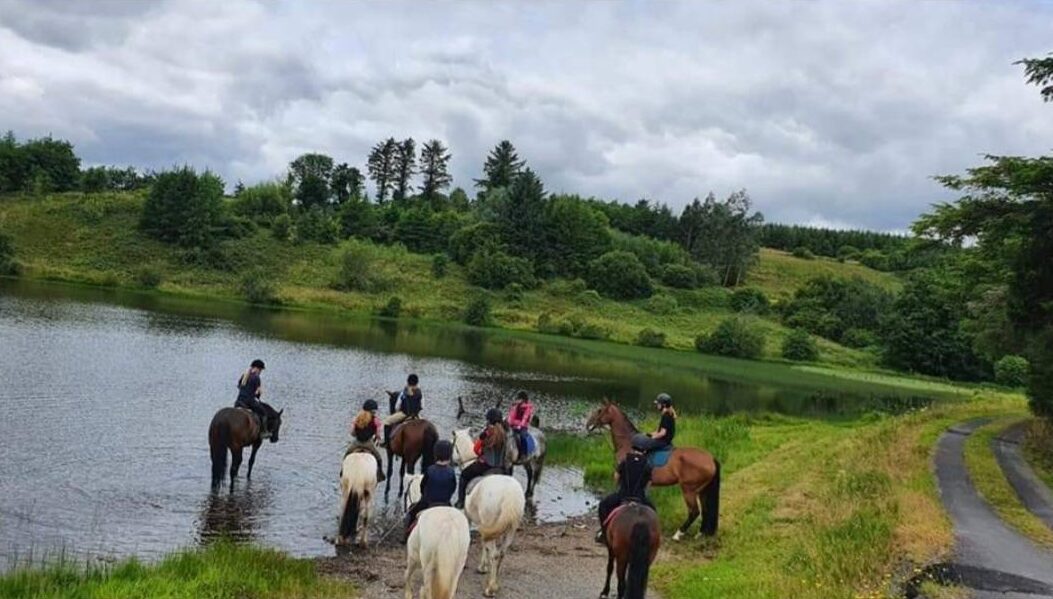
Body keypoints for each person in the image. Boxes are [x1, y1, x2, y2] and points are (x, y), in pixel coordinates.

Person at [595, 436, 655, 544]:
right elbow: (648, 484)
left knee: (603, 505)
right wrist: (644, 494)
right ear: (645, 451)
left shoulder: (624, 461)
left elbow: (616, 477)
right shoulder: (648, 465)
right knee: (653, 512)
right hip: (640, 497)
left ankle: (604, 533)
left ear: (632, 448)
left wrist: (619, 486)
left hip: (623, 495)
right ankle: (653, 536)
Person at [402, 440, 457, 543]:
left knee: (410, 513)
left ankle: (405, 537)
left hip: (428, 502)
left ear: (435, 454)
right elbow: (453, 488)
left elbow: (423, 486)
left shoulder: (430, 469)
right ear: (449, 455)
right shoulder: (451, 471)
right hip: (445, 502)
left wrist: (425, 495)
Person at [456, 408, 507, 509]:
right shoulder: (505, 433)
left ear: (489, 420)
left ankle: (461, 502)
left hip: (486, 465)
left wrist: (480, 440)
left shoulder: (487, 433)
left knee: (464, 475)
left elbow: (476, 450)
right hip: (501, 466)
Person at [346, 399, 386, 482]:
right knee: (379, 458)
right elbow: (378, 435)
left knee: (346, 455)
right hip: (368, 443)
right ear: (372, 410)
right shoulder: (376, 420)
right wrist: (378, 438)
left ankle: (342, 472)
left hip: (357, 442)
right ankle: (380, 474)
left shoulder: (357, 418)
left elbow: (352, 433)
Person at [380, 374, 423, 447]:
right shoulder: (420, 392)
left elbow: (397, 406)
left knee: (386, 422)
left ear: (408, 382)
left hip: (404, 414)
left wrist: (398, 412)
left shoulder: (404, 392)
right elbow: (422, 406)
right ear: (417, 382)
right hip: (416, 415)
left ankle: (387, 443)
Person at [234, 359, 268, 429]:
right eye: (260, 370)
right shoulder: (256, 377)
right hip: (249, 401)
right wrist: (258, 395)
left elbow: (239, 387)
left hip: (239, 401)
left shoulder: (244, 375)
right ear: (257, 368)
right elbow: (257, 393)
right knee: (263, 413)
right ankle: (264, 431)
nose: (260, 372)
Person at [506, 390, 535, 458]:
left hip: (523, 426)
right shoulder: (516, 406)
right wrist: (509, 422)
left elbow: (525, 417)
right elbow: (512, 415)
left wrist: (520, 426)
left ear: (524, 399)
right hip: (513, 425)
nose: (519, 400)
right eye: (518, 398)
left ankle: (524, 453)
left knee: (522, 436)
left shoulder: (528, 407)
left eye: (520, 399)